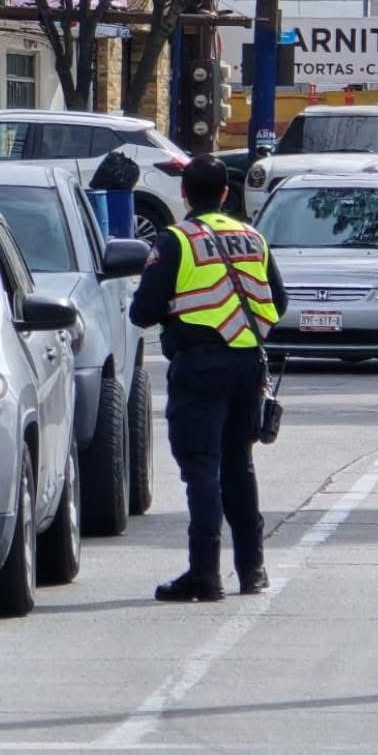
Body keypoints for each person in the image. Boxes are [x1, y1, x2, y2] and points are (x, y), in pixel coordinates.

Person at [130, 155, 287, 602]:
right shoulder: (253, 238)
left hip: (199, 366)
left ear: (184, 195)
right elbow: (278, 301)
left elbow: (142, 311)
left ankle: (204, 574)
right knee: (239, 464)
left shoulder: (177, 241)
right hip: (248, 366)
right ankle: (253, 570)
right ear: (225, 193)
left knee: (202, 468)